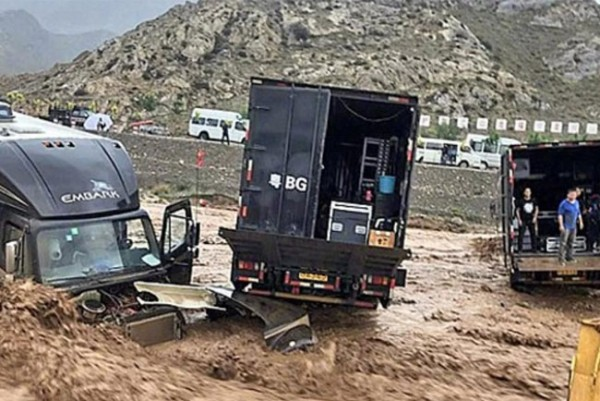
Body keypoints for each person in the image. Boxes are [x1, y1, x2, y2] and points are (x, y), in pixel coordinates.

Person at [558, 188, 584, 265]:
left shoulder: (576, 202)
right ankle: (561, 259)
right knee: (563, 243)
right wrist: (561, 225)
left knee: (571, 242)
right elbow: (560, 215)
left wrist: (581, 222)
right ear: (568, 195)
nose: (573, 196)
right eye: (571, 194)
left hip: (573, 226)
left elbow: (578, 213)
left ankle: (569, 257)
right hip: (566, 226)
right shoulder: (563, 203)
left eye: (574, 194)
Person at [516, 187, 539, 253]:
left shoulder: (533, 200)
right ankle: (520, 249)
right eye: (526, 191)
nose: (527, 193)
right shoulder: (521, 201)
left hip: (531, 219)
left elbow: (537, 209)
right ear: (524, 193)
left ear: (531, 193)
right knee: (521, 235)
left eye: (528, 192)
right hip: (523, 219)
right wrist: (519, 219)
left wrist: (535, 217)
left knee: (533, 234)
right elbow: (517, 210)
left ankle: (534, 249)